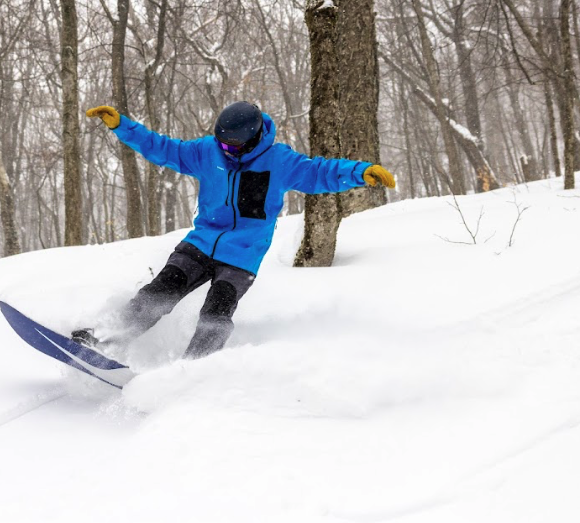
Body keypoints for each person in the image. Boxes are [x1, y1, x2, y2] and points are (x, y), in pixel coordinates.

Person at [74, 101, 395, 359]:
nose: (225, 150)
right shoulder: (206, 151)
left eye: (232, 146)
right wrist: (121, 125)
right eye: (222, 143)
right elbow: (163, 148)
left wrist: (361, 171)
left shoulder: (278, 161)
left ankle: (190, 371)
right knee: (159, 292)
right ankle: (105, 340)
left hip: (242, 255)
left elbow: (318, 173)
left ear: (252, 139)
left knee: (215, 314)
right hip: (200, 242)